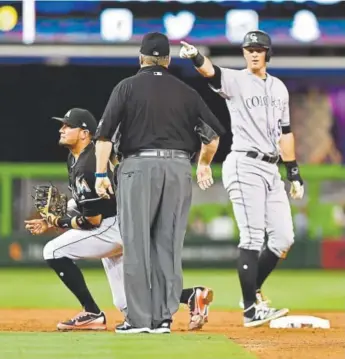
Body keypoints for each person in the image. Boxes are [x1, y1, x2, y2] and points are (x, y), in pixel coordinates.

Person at [24, 108, 214, 332]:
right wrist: (54, 218)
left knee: (53, 251)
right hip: (116, 224)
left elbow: (92, 221)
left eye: (68, 125)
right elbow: (84, 202)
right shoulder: (78, 158)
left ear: (85, 133)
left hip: (112, 227)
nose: (62, 129)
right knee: (125, 304)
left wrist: (58, 222)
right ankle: (192, 295)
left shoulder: (88, 165)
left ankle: (91, 311)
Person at [94, 32, 225, 333]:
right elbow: (213, 136)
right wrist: (203, 164)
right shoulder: (186, 92)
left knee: (137, 244)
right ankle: (164, 319)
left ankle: (139, 320)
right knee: (168, 244)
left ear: (140, 57)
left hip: (138, 166)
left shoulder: (126, 87)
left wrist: (101, 174)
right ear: (166, 60)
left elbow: (103, 137)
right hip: (179, 168)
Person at [180, 30, 304, 327]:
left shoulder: (279, 88)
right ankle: (250, 310)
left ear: (267, 53)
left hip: (272, 168)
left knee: (284, 238)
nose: (253, 53)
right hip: (244, 164)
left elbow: (285, 133)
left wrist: (294, 171)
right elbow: (210, 71)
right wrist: (196, 55)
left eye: (259, 49)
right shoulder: (235, 80)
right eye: (249, 49)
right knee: (252, 237)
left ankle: (253, 290)